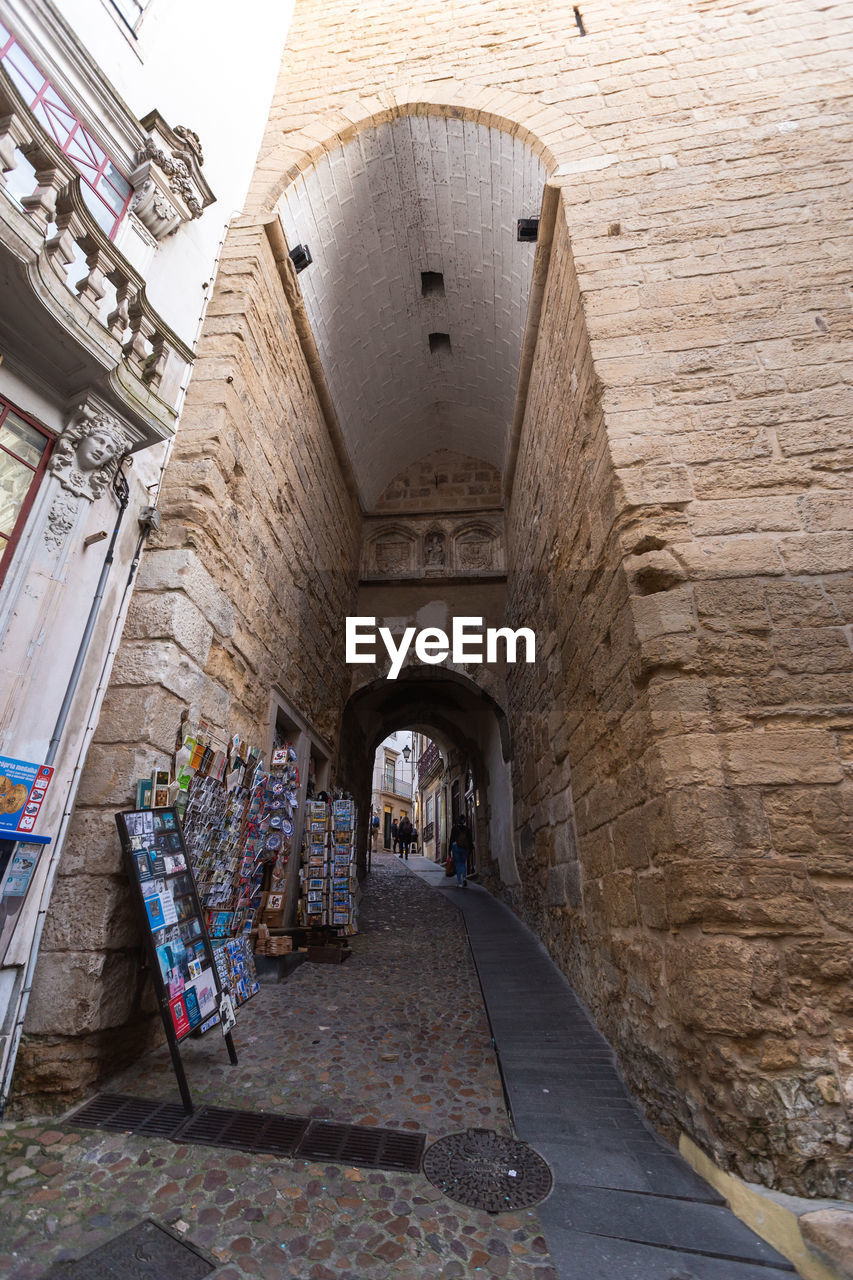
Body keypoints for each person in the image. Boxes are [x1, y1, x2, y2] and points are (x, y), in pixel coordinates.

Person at [448, 814, 473, 888]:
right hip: (464, 848)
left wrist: (449, 850)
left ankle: (459, 882)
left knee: (458, 864)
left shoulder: (454, 828)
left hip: (456, 848)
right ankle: (464, 878)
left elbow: (451, 839)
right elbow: (470, 840)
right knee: (463, 863)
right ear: (464, 821)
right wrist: (470, 849)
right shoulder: (467, 829)